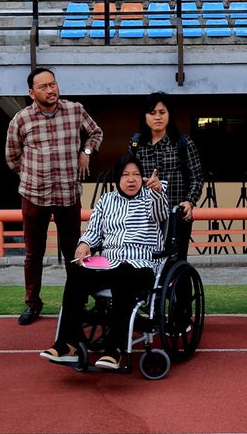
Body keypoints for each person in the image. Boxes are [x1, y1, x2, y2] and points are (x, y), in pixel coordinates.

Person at [40, 155, 169, 368]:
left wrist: (157, 192)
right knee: (76, 274)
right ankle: (68, 344)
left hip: (140, 264)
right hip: (109, 262)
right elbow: (93, 233)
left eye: (136, 175)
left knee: (123, 275)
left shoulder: (151, 197)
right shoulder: (106, 201)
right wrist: (84, 244)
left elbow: (161, 213)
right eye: (126, 175)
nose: (131, 179)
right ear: (117, 178)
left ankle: (114, 349)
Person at [5, 67, 104, 325]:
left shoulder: (75, 110)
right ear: (31, 93)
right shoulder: (21, 120)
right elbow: (12, 157)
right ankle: (32, 304)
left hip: (68, 195)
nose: (50, 90)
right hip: (34, 196)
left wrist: (87, 152)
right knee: (33, 254)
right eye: (43, 87)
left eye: (53, 84)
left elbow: (96, 133)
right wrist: (31, 175)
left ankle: (77, 303)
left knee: (75, 253)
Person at [132, 92, 203, 261]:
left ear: (169, 115)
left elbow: (197, 177)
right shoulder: (136, 144)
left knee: (176, 263)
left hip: (176, 214)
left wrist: (189, 201)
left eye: (162, 112)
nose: (157, 117)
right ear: (145, 116)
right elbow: (130, 178)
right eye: (152, 113)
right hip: (145, 216)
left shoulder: (183, 143)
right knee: (145, 261)